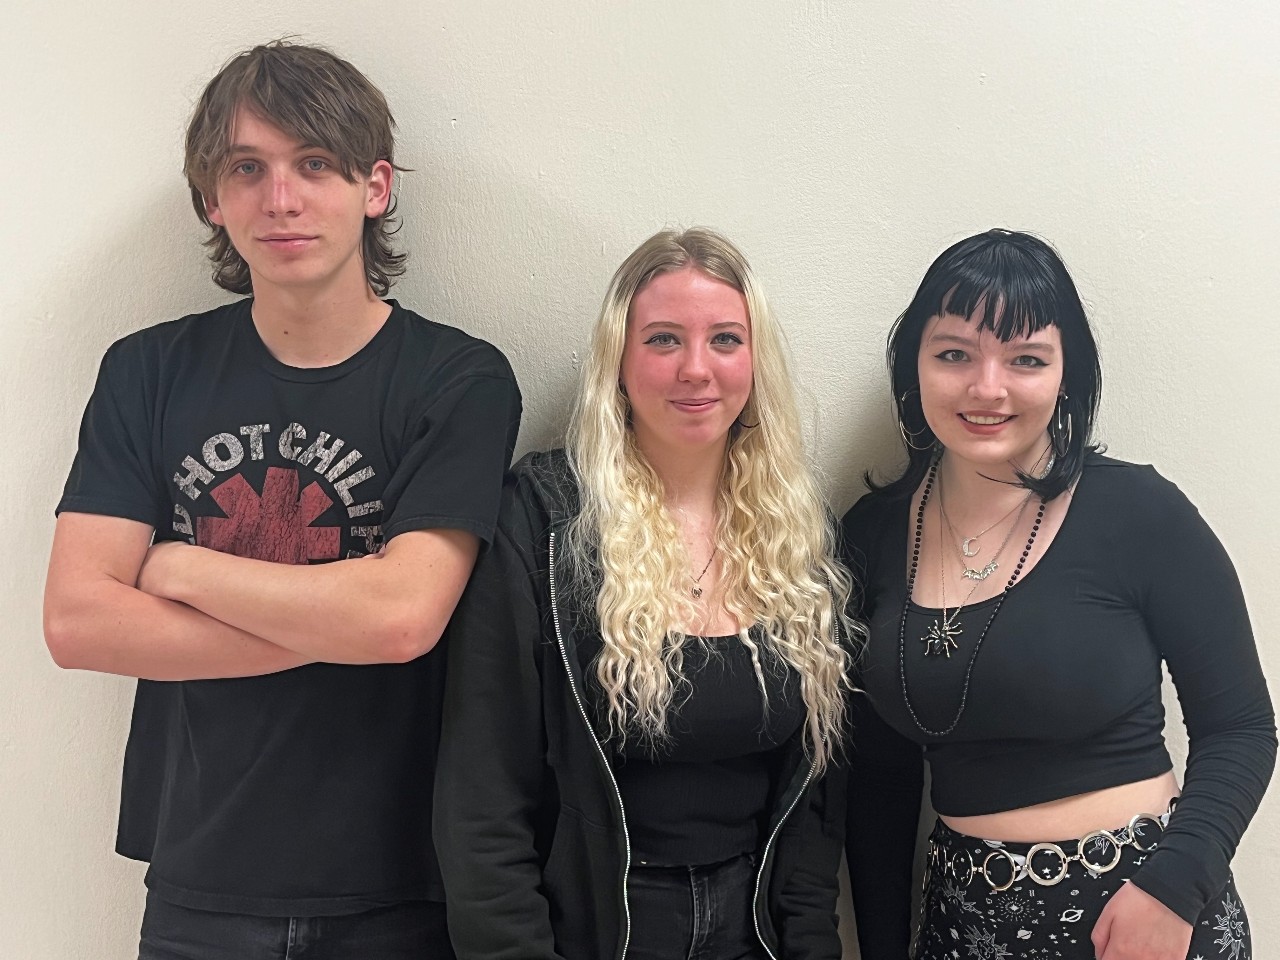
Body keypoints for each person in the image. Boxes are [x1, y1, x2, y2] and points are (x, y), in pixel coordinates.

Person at [42, 40, 520, 959]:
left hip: (401, 884)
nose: (282, 198)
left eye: (315, 165)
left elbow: (400, 622)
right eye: (246, 169)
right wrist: (335, 620)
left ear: (374, 187)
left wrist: (181, 568)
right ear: (211, 201)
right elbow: (77, 623)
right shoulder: (147, 371)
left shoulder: (457, 379)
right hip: (199, 881)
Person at [842, 228, 1275, 960]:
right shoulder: (871, 535)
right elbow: (879, 789)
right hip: (963, 926)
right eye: (954, 354)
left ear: (1066, 375)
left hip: (1142, 918)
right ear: (912, 366)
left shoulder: (1139, 512)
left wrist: (1173, 892)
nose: (988, 387)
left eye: (1026, 360)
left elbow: (1240, 726)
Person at [434, 227, 851, 960]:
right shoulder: (542, 519)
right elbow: (481, 796)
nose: (697, 369)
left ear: (755, 362)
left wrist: (812, 943)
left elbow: (814, 800)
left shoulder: (798, 532)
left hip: (752, 930)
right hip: (597, 932)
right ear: (618, 364)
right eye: (663, 340)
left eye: (725, 339)